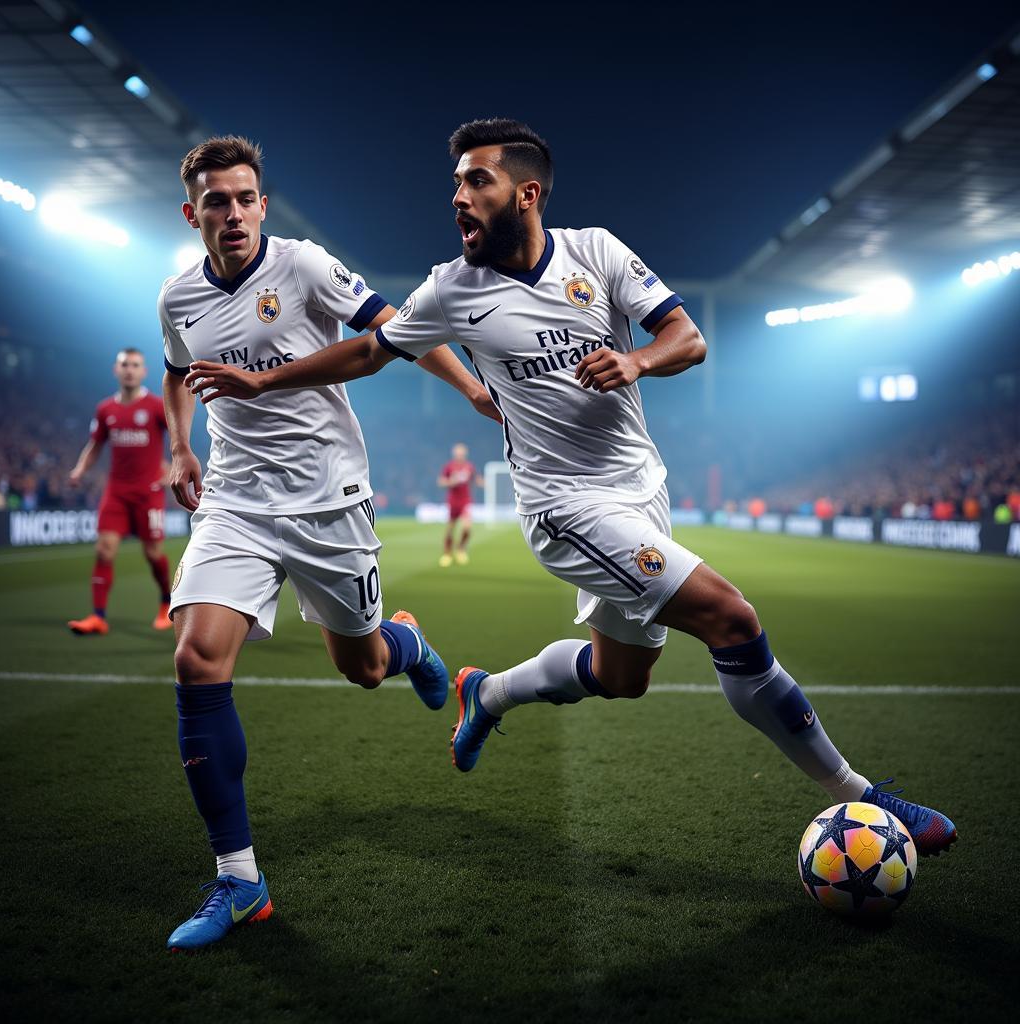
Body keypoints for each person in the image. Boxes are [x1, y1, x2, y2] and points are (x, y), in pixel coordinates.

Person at [186, 119, 957, 861]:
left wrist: (638, 362)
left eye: (476, 181)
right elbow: (367, 351)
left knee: (623, 680)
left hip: (640, 490)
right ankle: (864, 795)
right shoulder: (452, 288)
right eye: (455, 183)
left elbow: (688, 338)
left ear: (526, 194)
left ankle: (487, 695)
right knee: (730, 617)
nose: (458, 197)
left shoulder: (595, 252)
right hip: (565, 508)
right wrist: (261, 381)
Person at [159, 135, 497, 952]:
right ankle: (240, 882)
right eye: (216, 202)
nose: (233, 213)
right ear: (193, 212)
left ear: (262, 206)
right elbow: (177, 371)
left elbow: (398, 328)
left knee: (365, 668)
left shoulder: (304, 267)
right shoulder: (177, 298)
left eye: (245, 199)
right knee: (196, 659)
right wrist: (180, 445)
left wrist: (474, 389)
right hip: (236, 501)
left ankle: (408, 644)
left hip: (325, 500)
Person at [67, 348, 172, 634]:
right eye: (125, 364)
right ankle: (98, 617)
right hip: (116, 492)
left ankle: (166, 602)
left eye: (135, 365)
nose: (129, 370)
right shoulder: (105, 410)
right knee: (104, 550)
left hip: (148, 493)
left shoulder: (155, 406)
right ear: (116, 370)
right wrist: (79, 470)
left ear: (143, 372)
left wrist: (173, 467)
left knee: (153, 554)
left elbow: (177, 436)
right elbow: (95, 445)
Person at [437, 442, 482, 566]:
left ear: (465, 454)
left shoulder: (469, 467)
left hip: (465, 501)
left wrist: (483, 483)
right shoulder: (449, 467)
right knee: (450, 529)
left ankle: (461, 549)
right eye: (458, 453)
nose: (460, 455)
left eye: (462, 453)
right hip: (453, 501)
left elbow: (476, 479)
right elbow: (441, 482)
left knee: (467, 528)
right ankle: (447, 553)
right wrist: (451, 482)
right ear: (454, 454)